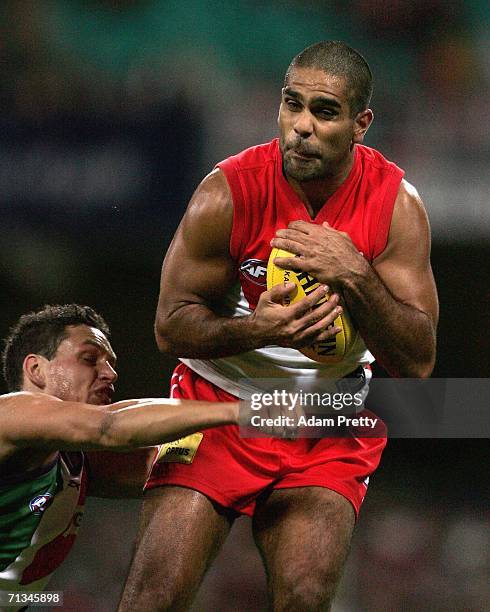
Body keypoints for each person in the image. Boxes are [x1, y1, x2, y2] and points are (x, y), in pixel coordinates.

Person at [120, 41, 439, 611]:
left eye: (324, 111)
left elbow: (417, 362)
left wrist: (357, 277)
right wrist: (262, 331)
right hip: (219, 403)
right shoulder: (228, 190)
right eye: (292, 105)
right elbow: (170, 327)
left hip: (328, 415)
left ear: (361, 123)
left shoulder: (397, 205)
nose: (301, 127)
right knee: (154, 596)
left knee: (306, 595)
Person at [0, 304, 242, 609]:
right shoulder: (7, 415)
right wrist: (242, 410)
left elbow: (176, 463)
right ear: (36, 369)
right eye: (89, 359)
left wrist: (312, 416)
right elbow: (110, 426)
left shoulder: (77, 462)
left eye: (110, 363)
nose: (110, 373)